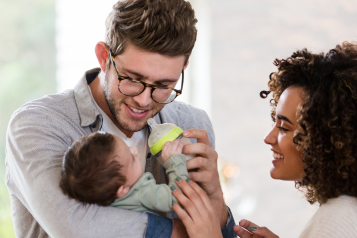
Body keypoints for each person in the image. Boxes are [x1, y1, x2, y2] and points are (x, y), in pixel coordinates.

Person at [5, 0, 236, 237]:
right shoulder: (37, 125)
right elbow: (75, 227)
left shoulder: (191, 123)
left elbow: (216, 228)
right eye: (133, 79)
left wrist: (215, 198)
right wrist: (186, 231)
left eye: (164, 85)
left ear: (183, 69)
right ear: (104, 57)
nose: (145, 100)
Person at [171, 42, 357, 238]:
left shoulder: (338, 219)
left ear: (326, 139)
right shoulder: (341, 210)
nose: (268, 138)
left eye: (284, 128)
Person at [60, 132, 188, 214]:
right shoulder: (141, 192)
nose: (135, 150)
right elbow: (177, 199)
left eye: (127, 146)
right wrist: (174, 161)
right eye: (132, 159)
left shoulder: (99, 197)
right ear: (122, 190)